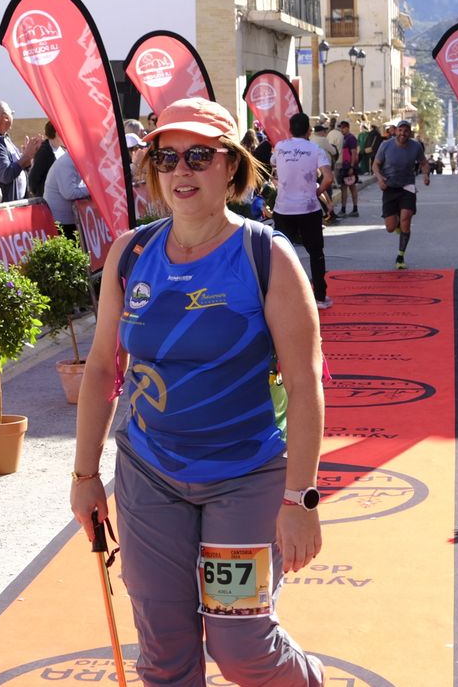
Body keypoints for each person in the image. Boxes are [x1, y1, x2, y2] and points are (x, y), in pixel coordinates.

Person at [69, 97, 325, 687]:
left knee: (241, 647)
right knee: (164, 654)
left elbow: (306, 387)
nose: (181, 171)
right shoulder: (130, 253)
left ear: (231, 167)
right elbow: (105, 367)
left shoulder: (267, 255)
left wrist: (300, 500)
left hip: (244, 478)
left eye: (199, 156)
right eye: (167, 157)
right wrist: (85, 477)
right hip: (149, 476)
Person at [272, 112, 334, 309]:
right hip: (308, 208)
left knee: (282, 254)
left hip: (283, 209)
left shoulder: (280, 147)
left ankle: (284, 298)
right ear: (309, 130)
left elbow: (272, 163)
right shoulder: (316, 150)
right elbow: (328, 178)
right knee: (316, 253)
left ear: (290, 130)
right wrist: (317, 193)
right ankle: (320, 297)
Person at [373, 120, 430, 269]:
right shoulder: (386, 145)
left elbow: (423, 162)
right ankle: (396, 223)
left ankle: (400, 256)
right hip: (390, 186)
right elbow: (376, 165)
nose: (402, 134)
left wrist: (426, 175)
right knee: (390, 227)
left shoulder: (416, 146)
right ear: (395, 131)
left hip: (407, 186)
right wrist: (380, 179)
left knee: (406, 219)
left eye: (406, 131)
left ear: (409, 132)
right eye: (400, 130)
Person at [0, 100, 43, 201]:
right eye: (12, 113)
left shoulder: (4, 138)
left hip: (18, 204)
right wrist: (26, 156)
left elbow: (19, 166)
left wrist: (29, 156)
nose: (13, 116)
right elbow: (5, 175)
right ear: (5, 117)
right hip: (7, 209)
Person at [44, 143, 89, 241]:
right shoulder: (67, 163)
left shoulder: (75, 161)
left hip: (69, 219)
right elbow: (69, 193)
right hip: (61, 223)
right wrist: (91, 191)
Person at [310, 123, 337, 222]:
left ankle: (325, 214)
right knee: (326, 192)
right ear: (320, 132)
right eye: (324, 131)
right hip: (324, 168)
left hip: (314, 169)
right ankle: (330, 213)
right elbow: (333, 151)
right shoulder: (323, 140)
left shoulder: (311, 140)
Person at [27, 121, 59, 198]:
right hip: (47, 199)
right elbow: (33, 178)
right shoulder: (45, 151)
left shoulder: (61, 149)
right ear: (56, 133)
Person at [335, 120, 359, 217]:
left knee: (352, 187)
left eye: (344, 127)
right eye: (341, 127)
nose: (342, 129)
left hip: (349, 166)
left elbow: (354, 153)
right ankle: (344, 209)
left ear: (348, 128)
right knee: (343, 188)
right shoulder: (342, 138)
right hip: (343, 166)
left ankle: (354, 209)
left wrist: (352, 167)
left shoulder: (351, 138)